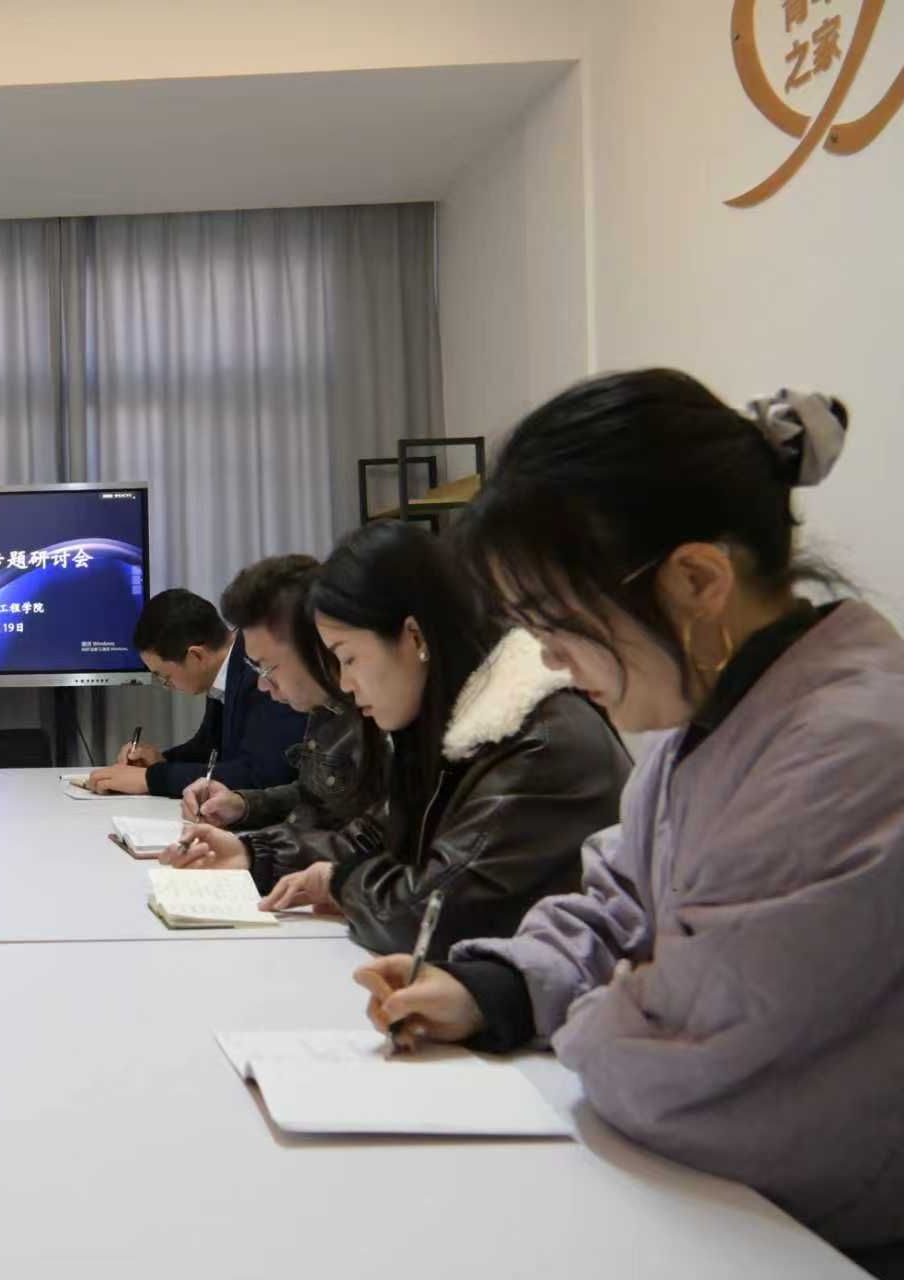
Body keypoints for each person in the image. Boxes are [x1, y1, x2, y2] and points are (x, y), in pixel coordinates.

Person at [353, 373, 903, 1277]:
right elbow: (615, 903)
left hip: (817, 1241)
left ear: (697, 581)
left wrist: (599, 1013)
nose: (551, 661)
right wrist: (493, 989)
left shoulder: (851, 750)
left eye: (560, 625)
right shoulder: (713, 716)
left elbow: (690, 1062)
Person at [260, 519, 628, 957]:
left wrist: (340, 883)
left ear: (415, 636)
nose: (345, 683)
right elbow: (378, 838)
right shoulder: (440, 731)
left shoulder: (537, 744)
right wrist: (258, 854)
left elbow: (425, 916)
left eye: (349, 658)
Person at [161, 555, 385, 893]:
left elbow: (372, 840)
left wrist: (254, 854)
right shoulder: (326, 709)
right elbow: (318, 798)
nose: (263, 685)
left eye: (267, 668)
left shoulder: (381, 712)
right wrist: (243, 804)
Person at [85, 586, 307, 797]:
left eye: (164, 676)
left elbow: (260, 775)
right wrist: (160, 761)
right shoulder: (226, 669)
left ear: (196, 656)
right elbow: (208, 749)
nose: (166, 686)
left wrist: (151, 779)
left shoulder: (261, 674)